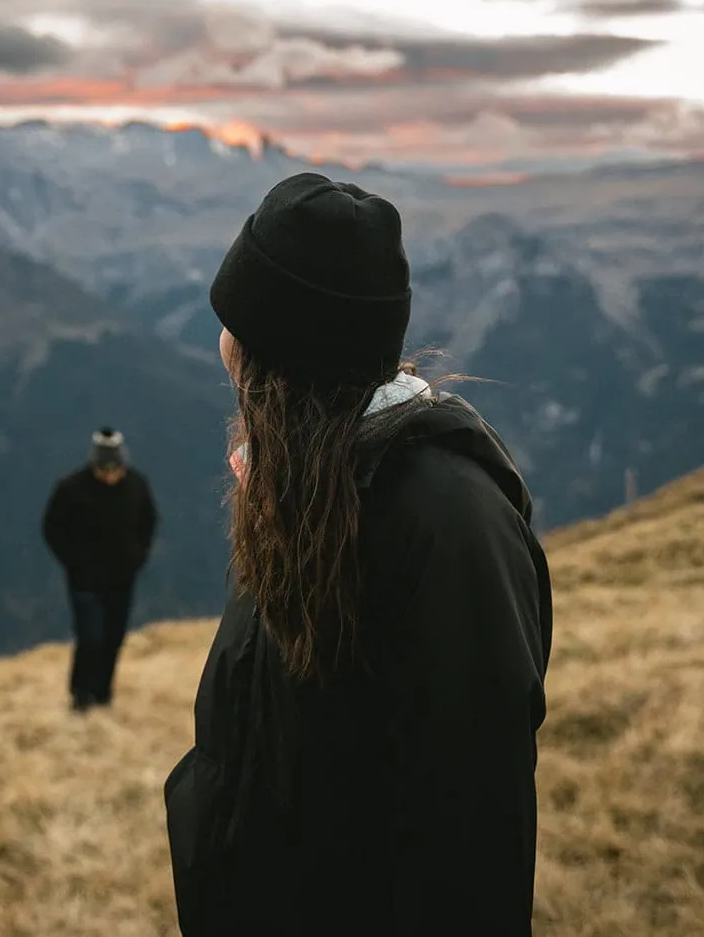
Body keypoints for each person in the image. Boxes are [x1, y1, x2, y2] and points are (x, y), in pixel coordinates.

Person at [163, 173, 554, 935]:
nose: (222, 347)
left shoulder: (449, 523)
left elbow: (470, 833)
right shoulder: (306, 484)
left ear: (279, 355)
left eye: (234, 324)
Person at [41, 427, 158, 712]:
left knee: (113, 638)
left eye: (114, 469)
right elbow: (52, 528)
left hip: (122, 579)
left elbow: (149, 522)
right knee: (90, 637)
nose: (109, 476)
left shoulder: (137, 486)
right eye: (103, 470)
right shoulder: (70, 489)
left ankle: (104, 695)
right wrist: (74, 562)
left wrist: (137, 557)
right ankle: (81, 696)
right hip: (85, 581)